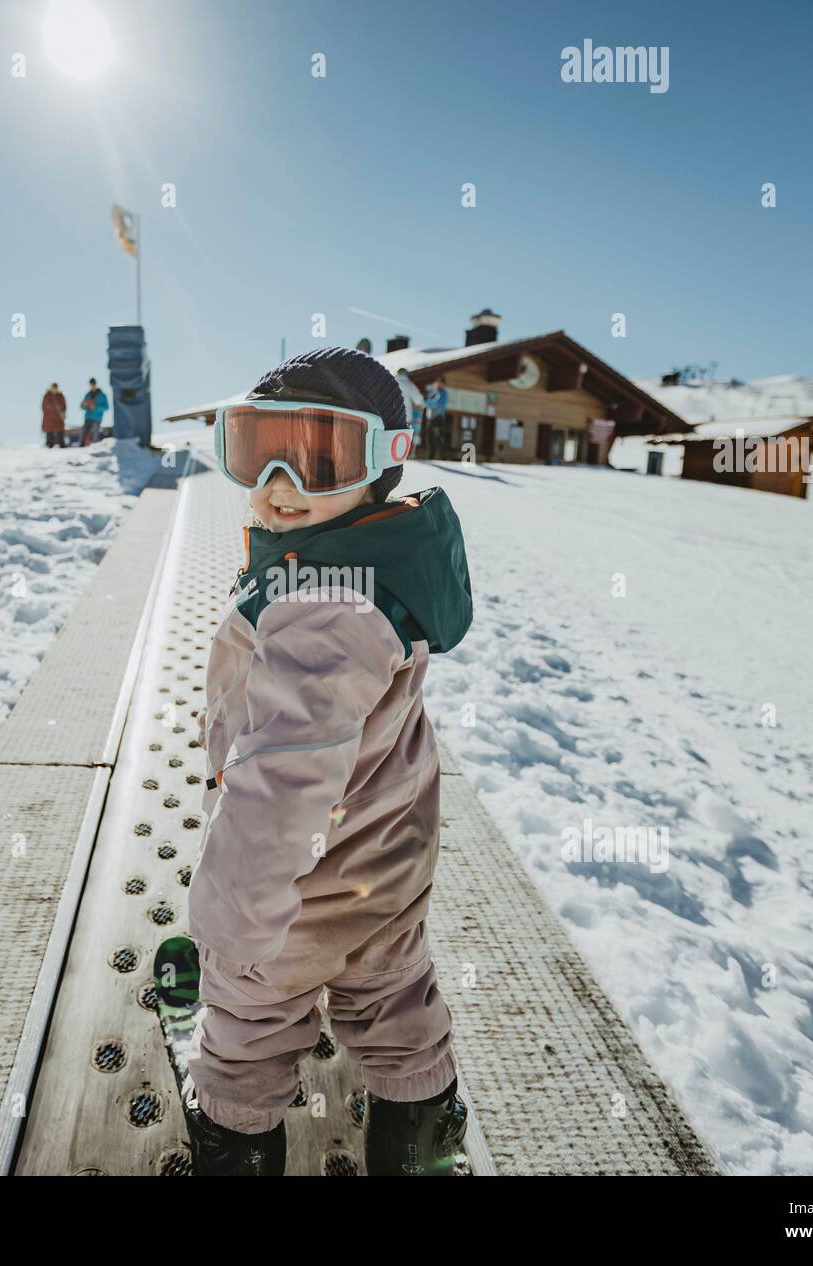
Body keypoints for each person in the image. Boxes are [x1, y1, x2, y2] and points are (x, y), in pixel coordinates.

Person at [185, 345, 474, 1176]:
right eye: (256, 448)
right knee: (393, 1003)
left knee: (246, 1031)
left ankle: (236, 1146)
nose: (278, 482)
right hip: (385, 876)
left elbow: (278, 792)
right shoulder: (376, 568)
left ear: (383, 464)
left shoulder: (323, 607)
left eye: (317, 457)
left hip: (294, 904)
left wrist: (231, 929)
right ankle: (417, 1139)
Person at [79, 378, 109, 447]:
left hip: (97, 418)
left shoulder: (102, 395)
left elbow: (106, 407)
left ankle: (95, 446)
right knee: (83, 431)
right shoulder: (88, 394)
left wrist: (96, 407)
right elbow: (81, 406)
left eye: (93, 384)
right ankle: (81, 446)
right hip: (88, 417)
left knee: (95, 432)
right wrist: (85, 405)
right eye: (91, 384)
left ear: (96, 384)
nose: (92, 386)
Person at [42, 383, 67, 448]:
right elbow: (44, 406)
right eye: (53, 387)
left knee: (59, 430)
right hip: (49, 417)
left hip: (58, 417)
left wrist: (61, 411)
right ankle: (49, 444)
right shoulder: (47, 396)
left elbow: (64, 406)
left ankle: (61, 443)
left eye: (55, 388)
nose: (54, 389)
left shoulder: (60, 396)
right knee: (49, 431)